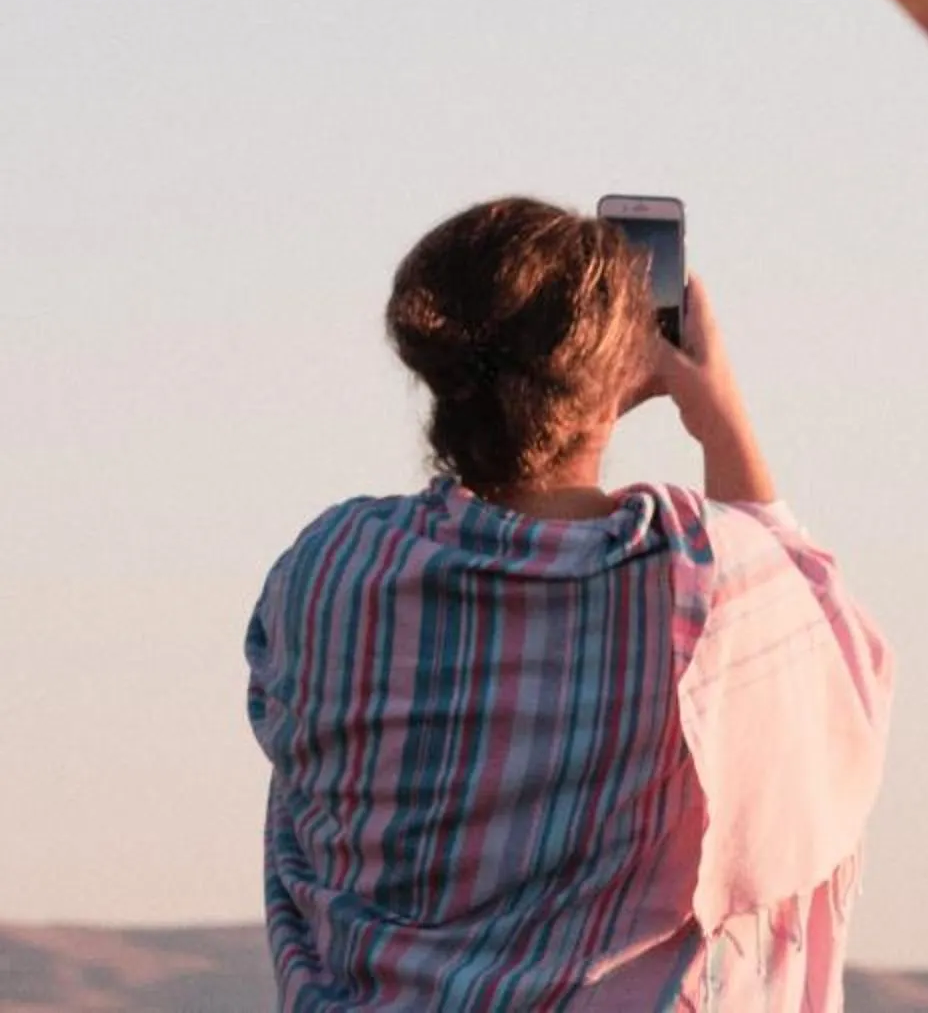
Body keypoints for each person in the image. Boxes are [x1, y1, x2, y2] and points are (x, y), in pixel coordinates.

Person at [247, 198, 892, 1010]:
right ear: (618, 368)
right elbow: (833, 679)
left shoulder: (335, 567)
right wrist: (717, 411)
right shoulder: (706, 573)